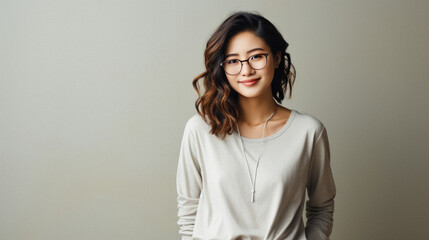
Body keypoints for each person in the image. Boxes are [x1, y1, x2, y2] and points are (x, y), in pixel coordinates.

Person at [176, 11, 336, 240]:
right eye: (233, 61)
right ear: (222, 67)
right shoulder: (200, 130)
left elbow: (322, 207)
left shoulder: (308, 132)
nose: (246, 70)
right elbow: (188, 212)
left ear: (277, 57)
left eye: (256, 56)